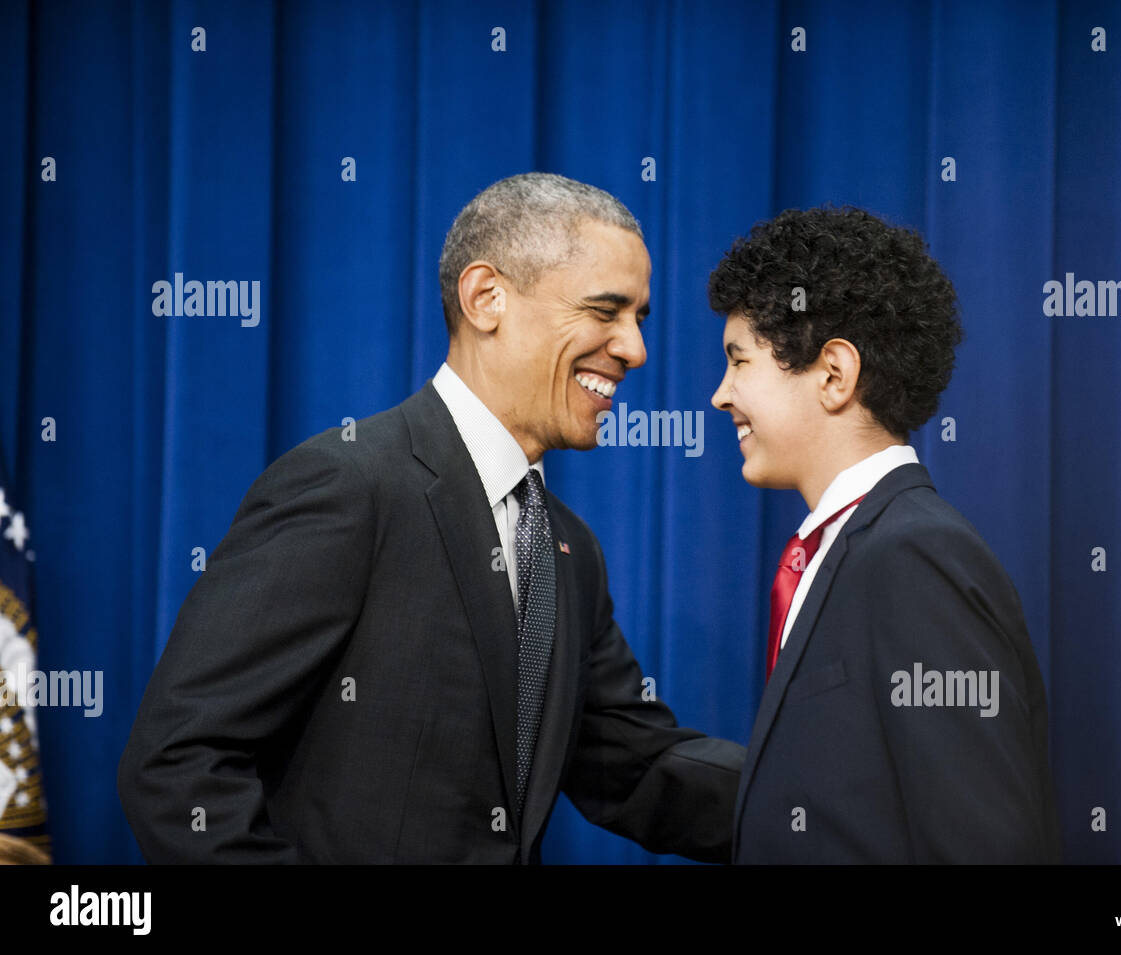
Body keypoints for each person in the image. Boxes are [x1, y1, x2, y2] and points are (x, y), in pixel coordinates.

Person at [118, 172, 744, 864]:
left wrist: (823, 801)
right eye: (605, 310)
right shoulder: (349, 485)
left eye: (638, 319)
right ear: (485, 298)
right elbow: (178, 762)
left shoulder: (570, 547)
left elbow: (636, 765)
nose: (634, 349)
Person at [707, 206, 1062, 863]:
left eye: (739, 360)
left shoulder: (913, 555)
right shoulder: (852, 548)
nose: (720, 394)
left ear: (835, 375)